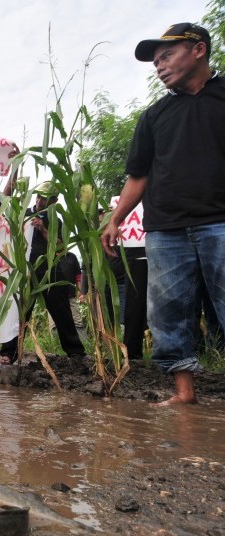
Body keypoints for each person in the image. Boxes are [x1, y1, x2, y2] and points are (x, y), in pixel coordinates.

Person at [101, 23, 225, 405]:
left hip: (220, 221)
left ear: (199, 49)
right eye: (155, 62)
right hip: (166, 229)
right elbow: (139, 175)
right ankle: (184, 393)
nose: (159, 66)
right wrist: (116, 217)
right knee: (168, 313)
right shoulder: (155, 116)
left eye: (167, 55)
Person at [0, 182, 85, 363]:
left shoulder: (56, 220)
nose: (40, 201)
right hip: (25, 271)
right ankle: (9, 352)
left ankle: (75, 351)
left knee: (62, 310)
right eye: (38, 197)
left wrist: (44, 229)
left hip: (50, 271)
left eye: (45, 199)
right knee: (19, 312)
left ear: (54, 201)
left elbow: (61, 248)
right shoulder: (22, 214)